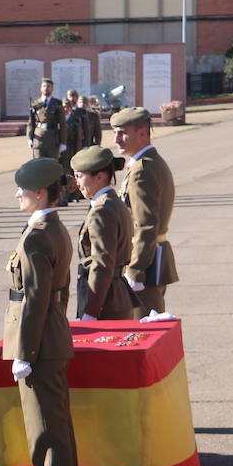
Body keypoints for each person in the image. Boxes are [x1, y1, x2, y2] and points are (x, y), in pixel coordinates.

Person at [4, 157, 77, 466]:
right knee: (56, 428)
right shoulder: (53, 227)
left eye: (22, 189)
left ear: (38, 191)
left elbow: (34, 299)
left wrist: (25, 353)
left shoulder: (37, 235)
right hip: (50, 338)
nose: (17, 194)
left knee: (46, 431)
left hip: (40, 344)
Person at [110, 107, 178, 318]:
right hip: (151, 256)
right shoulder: (148, 162)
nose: (116, 139)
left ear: (142, 133)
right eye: (115, 132)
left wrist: (136, 269)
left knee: (143, 331)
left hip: (144, 262)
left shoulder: (142, 169)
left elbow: (146, 224)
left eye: (123, 133)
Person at [70, 146, 137, 321]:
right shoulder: (112, 202)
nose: (77, 183)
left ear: (100, 177)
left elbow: (102, 264)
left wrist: (91, 311)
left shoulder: (103, 210)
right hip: (113, 294)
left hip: (106, 301)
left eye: (80, 176)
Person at [27, 78, 65, 160]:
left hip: (53, 139)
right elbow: (31, 123)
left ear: (52, 88)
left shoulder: (57, 103)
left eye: (48, 86)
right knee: (38, 164)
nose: (46, 88)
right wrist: (30, 137)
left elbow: (62, 124)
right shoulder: (35, 103)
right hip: (39, 138)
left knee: (52, 166)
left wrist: (63, 142)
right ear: (41, 88)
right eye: (44, 86)